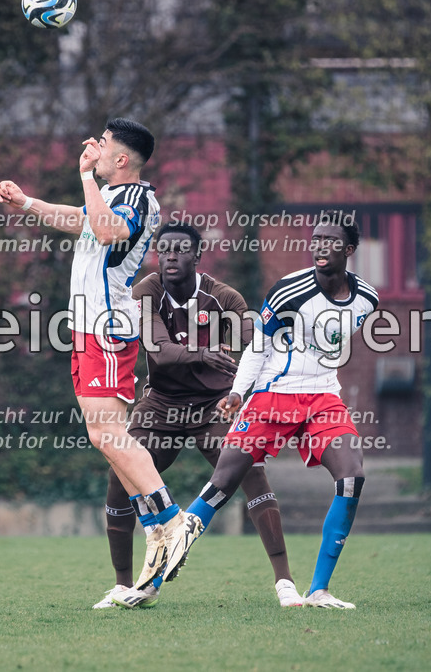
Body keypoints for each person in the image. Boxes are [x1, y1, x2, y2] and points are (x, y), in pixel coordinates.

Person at [0, 118, 202, 591]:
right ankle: (157, 528)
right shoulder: (111, 194)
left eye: (103, 144)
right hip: (88, 327)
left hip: (107, 327)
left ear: (121, 159)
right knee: (104, 436)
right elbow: (79, 220)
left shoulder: (138, 198)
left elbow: (106, 232)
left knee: (109, 433)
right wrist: (25, 202)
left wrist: (85, 175)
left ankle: (174, 522)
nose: (94, 146)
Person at [159, 218, 378, 609]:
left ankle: (319, 590)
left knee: (352, 478)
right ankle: (161, 567)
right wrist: (238, 392)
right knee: (224, 481)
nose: (320, 246)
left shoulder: (367, 299)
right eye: (316, 240)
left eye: (330, 241)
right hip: (274, 395)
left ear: (348, 251)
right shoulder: (289, 290)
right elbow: (258, 347)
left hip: (323, 398)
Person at [94, 223, 301, 610]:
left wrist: (272, 351)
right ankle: (123, 586)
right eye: (164, 250)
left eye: (180, 249)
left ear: (197, 256)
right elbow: (160, 351)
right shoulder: (146, 292)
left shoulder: (223, 297)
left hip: (215, 404)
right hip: (162, 403)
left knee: (252, 471)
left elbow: (256, 343)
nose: (170, 256)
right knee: (119, 472)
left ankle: (285, 582)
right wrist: (203, 353)